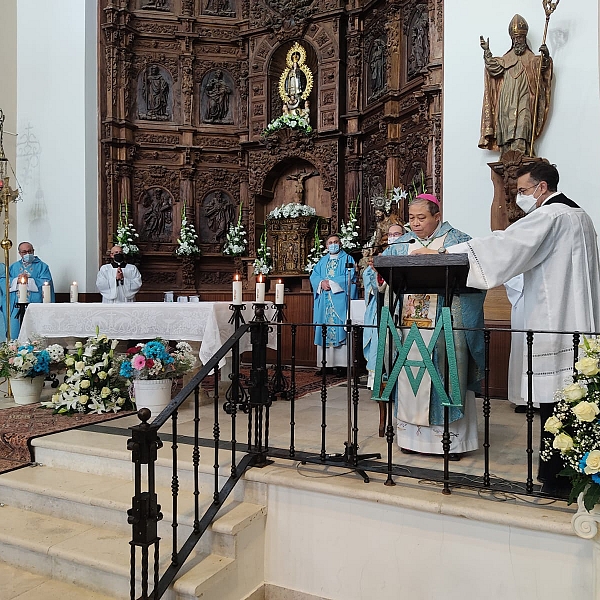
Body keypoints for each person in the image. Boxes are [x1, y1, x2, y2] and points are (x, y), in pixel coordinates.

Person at [414, 162, 600, 496]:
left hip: (553, 320)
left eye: (524, 191)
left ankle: (557, 479)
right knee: (573, 402)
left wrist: (444, 251)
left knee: (555, 401)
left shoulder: (550, 216)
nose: (521, 197)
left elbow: (505, 246)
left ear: (541, 188)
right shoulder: (581, 216)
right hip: (577, 319)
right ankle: (573, 470)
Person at [383, 195, 486, 460]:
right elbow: (383, 274)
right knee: (409, 374)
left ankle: (450, 442)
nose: (415, 224)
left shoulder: (457, 241)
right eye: (412, 218)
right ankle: (410, 439)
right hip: (409, 324)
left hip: (445, 324)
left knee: (445, 371)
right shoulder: (400, 245)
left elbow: (475, 273)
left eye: (421, 218)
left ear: (437, 216)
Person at [479, 14, 552, 157]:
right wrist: (487, 52)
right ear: (512, 40)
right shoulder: (506, 59)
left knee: (523, 122)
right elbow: (493, 67)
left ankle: (521, 153)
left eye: (520, 38)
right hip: (507, 100)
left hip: (525, 97)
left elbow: (542, 68)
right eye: (516, 38)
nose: (518, 40)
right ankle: (507, 154)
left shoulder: (532, 59)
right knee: (507, 125)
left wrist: (546, 56)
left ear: (524, 38)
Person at [310, 234, 358, 375]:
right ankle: (326, 365)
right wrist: (321, 283)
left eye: (336, 242)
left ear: (340, 244)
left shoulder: (348, 258)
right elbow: (314, 276)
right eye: (330, 242)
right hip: (324, 302)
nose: (333, 244)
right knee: (324, 330)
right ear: (326, 246)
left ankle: (343, 366)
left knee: (341, 329)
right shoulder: (322, 261)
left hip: (339, 300)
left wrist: (331, 283)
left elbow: (351, 276)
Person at [0, 242, 55, 340]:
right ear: (19, 253)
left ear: (33, 251)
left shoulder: (42, 266)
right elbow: (4, 281)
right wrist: (16, 280)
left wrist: (28, 280)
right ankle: (14, 351)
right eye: (24, 252)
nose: (27, 254)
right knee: (14, 332)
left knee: (34, 333)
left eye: (29, 251)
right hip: (16, 306)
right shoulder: (13, 267)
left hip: (35, 305)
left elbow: (46, 281)